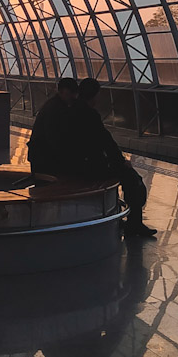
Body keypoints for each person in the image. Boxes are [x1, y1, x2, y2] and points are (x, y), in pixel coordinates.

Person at [74, 77, 157, 238]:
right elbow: (105, 141)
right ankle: (135, 223)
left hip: (79, 164)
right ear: (94, 95)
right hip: (88, 167)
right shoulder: (89, 114)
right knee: (132, 178)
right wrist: (121, 162)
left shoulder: (72, 110)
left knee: (123, 174)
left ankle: (124, 216)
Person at [26, 77, 79, 174]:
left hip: (39, 155)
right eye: (69, 94)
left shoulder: (53, 105)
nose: (72, 97)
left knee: (43, 185)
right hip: (44, 157)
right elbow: (53, 136)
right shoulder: (56, 109)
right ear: (61, 92)